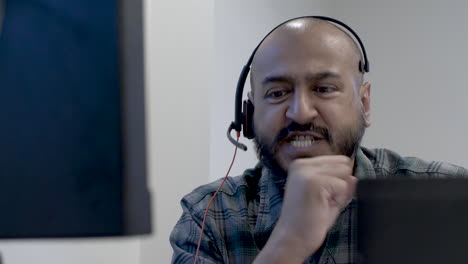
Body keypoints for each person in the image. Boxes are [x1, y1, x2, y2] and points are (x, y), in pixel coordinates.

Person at [170, 17, 468, 264]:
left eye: (324, 89)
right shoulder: (210, 216)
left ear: (364, 104)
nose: (301, 113)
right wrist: (288, 244)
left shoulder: (453, 196)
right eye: (277, 93)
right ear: (249, 114)